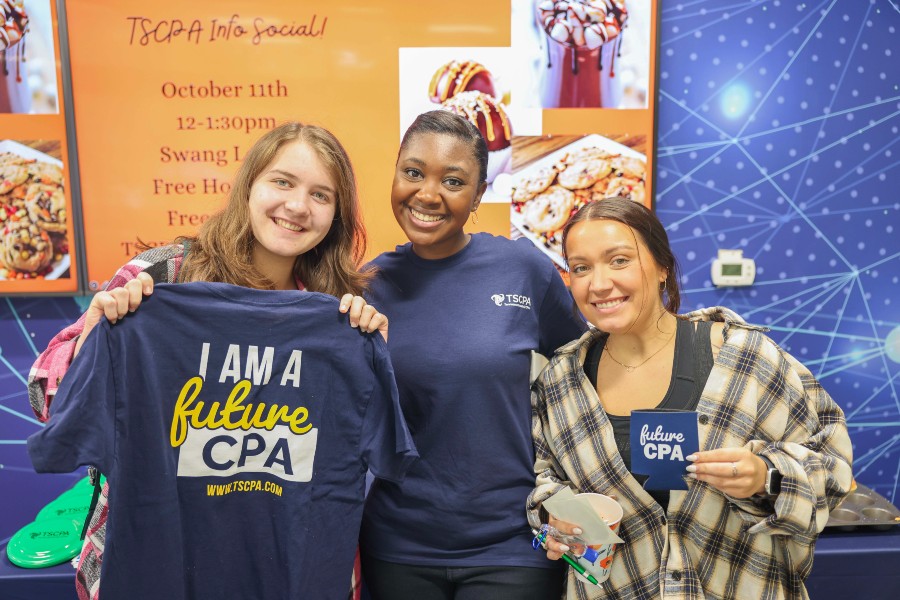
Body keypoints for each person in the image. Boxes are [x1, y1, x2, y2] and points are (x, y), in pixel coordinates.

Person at [27, 121, 390, 600]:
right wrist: (94, 334)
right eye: (282, 182)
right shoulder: (165, 276)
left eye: (321, 195)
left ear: (336, 214)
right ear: (249, 187)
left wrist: (369, 349)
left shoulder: (338, 312)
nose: (298, 206)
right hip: (156, 566)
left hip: (281, 569)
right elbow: (49, 403)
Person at [528, 197, 854, 599]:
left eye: (619, 260)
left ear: (662, 267)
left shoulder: (744, 359)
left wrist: (765, 475)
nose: (598, 284)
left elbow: (833, 469)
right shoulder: (560, 382)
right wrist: (553, 522)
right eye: (580, 268)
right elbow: (543, 482)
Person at [358, 110, 587, 600]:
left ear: (479, 194)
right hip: (398, 544)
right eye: (413, 172)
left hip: (513, 543)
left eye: (453, 180)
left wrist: (577, 497)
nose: (427, 194)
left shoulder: (524, 269)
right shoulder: (366, 286)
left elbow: (583, 379)